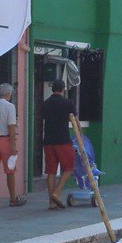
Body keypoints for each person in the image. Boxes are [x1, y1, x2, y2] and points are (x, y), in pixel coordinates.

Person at [40, 79, 77, 210]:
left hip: (48, 140)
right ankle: (57, 193)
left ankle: (52, 202)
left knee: (51, 170)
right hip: (63, 140)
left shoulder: (45, 104)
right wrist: (80, 137)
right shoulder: (68, 103)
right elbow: (75, 122)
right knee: (69, 167)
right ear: (63, 89)